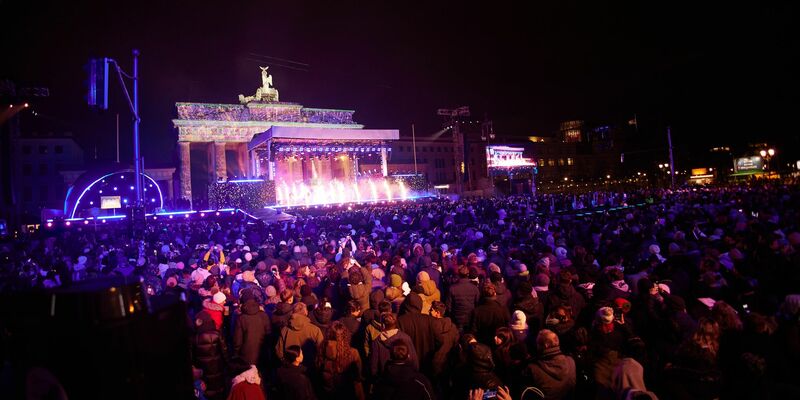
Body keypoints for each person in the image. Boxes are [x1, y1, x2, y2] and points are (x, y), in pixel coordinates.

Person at [316, 321, 365, 400]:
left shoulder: (321, 350)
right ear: (345, 335)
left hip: (326, 392)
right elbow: (357, 375)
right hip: (346, 392)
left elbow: (318, 369)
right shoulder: (353, 352)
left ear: (329, 334)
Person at [523, 329, 576, 400]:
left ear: (546, 346)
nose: (536, 346)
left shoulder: (532, 369)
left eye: (538, 344)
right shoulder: (571, 361)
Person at [275, 303, 324, 370]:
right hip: (309, 369)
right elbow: (321, 351)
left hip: (290, 369)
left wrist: (286, 364)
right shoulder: (315, 330)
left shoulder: (285, 330)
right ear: (306, 313)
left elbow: (279, 351)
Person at [193, 311, 228, 399]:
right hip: (217, 369)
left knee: (206, 392)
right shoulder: (217, 334)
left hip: (203, 372)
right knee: (218, 390)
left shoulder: (194, 338)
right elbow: (224, 352)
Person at [233, 297, 271, 367]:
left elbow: (238, 340)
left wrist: (236, 353)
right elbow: (268, 333)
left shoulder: (241, 318)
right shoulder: (264, 315)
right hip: (262, 352)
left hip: (246, 355)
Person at [446, 265, 480, 331]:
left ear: (458, 275)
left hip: (457, 318)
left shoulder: (452, 288)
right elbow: (477, 304)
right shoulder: (474, 288)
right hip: (470, 318)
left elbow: (448, 306)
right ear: (468, 274)